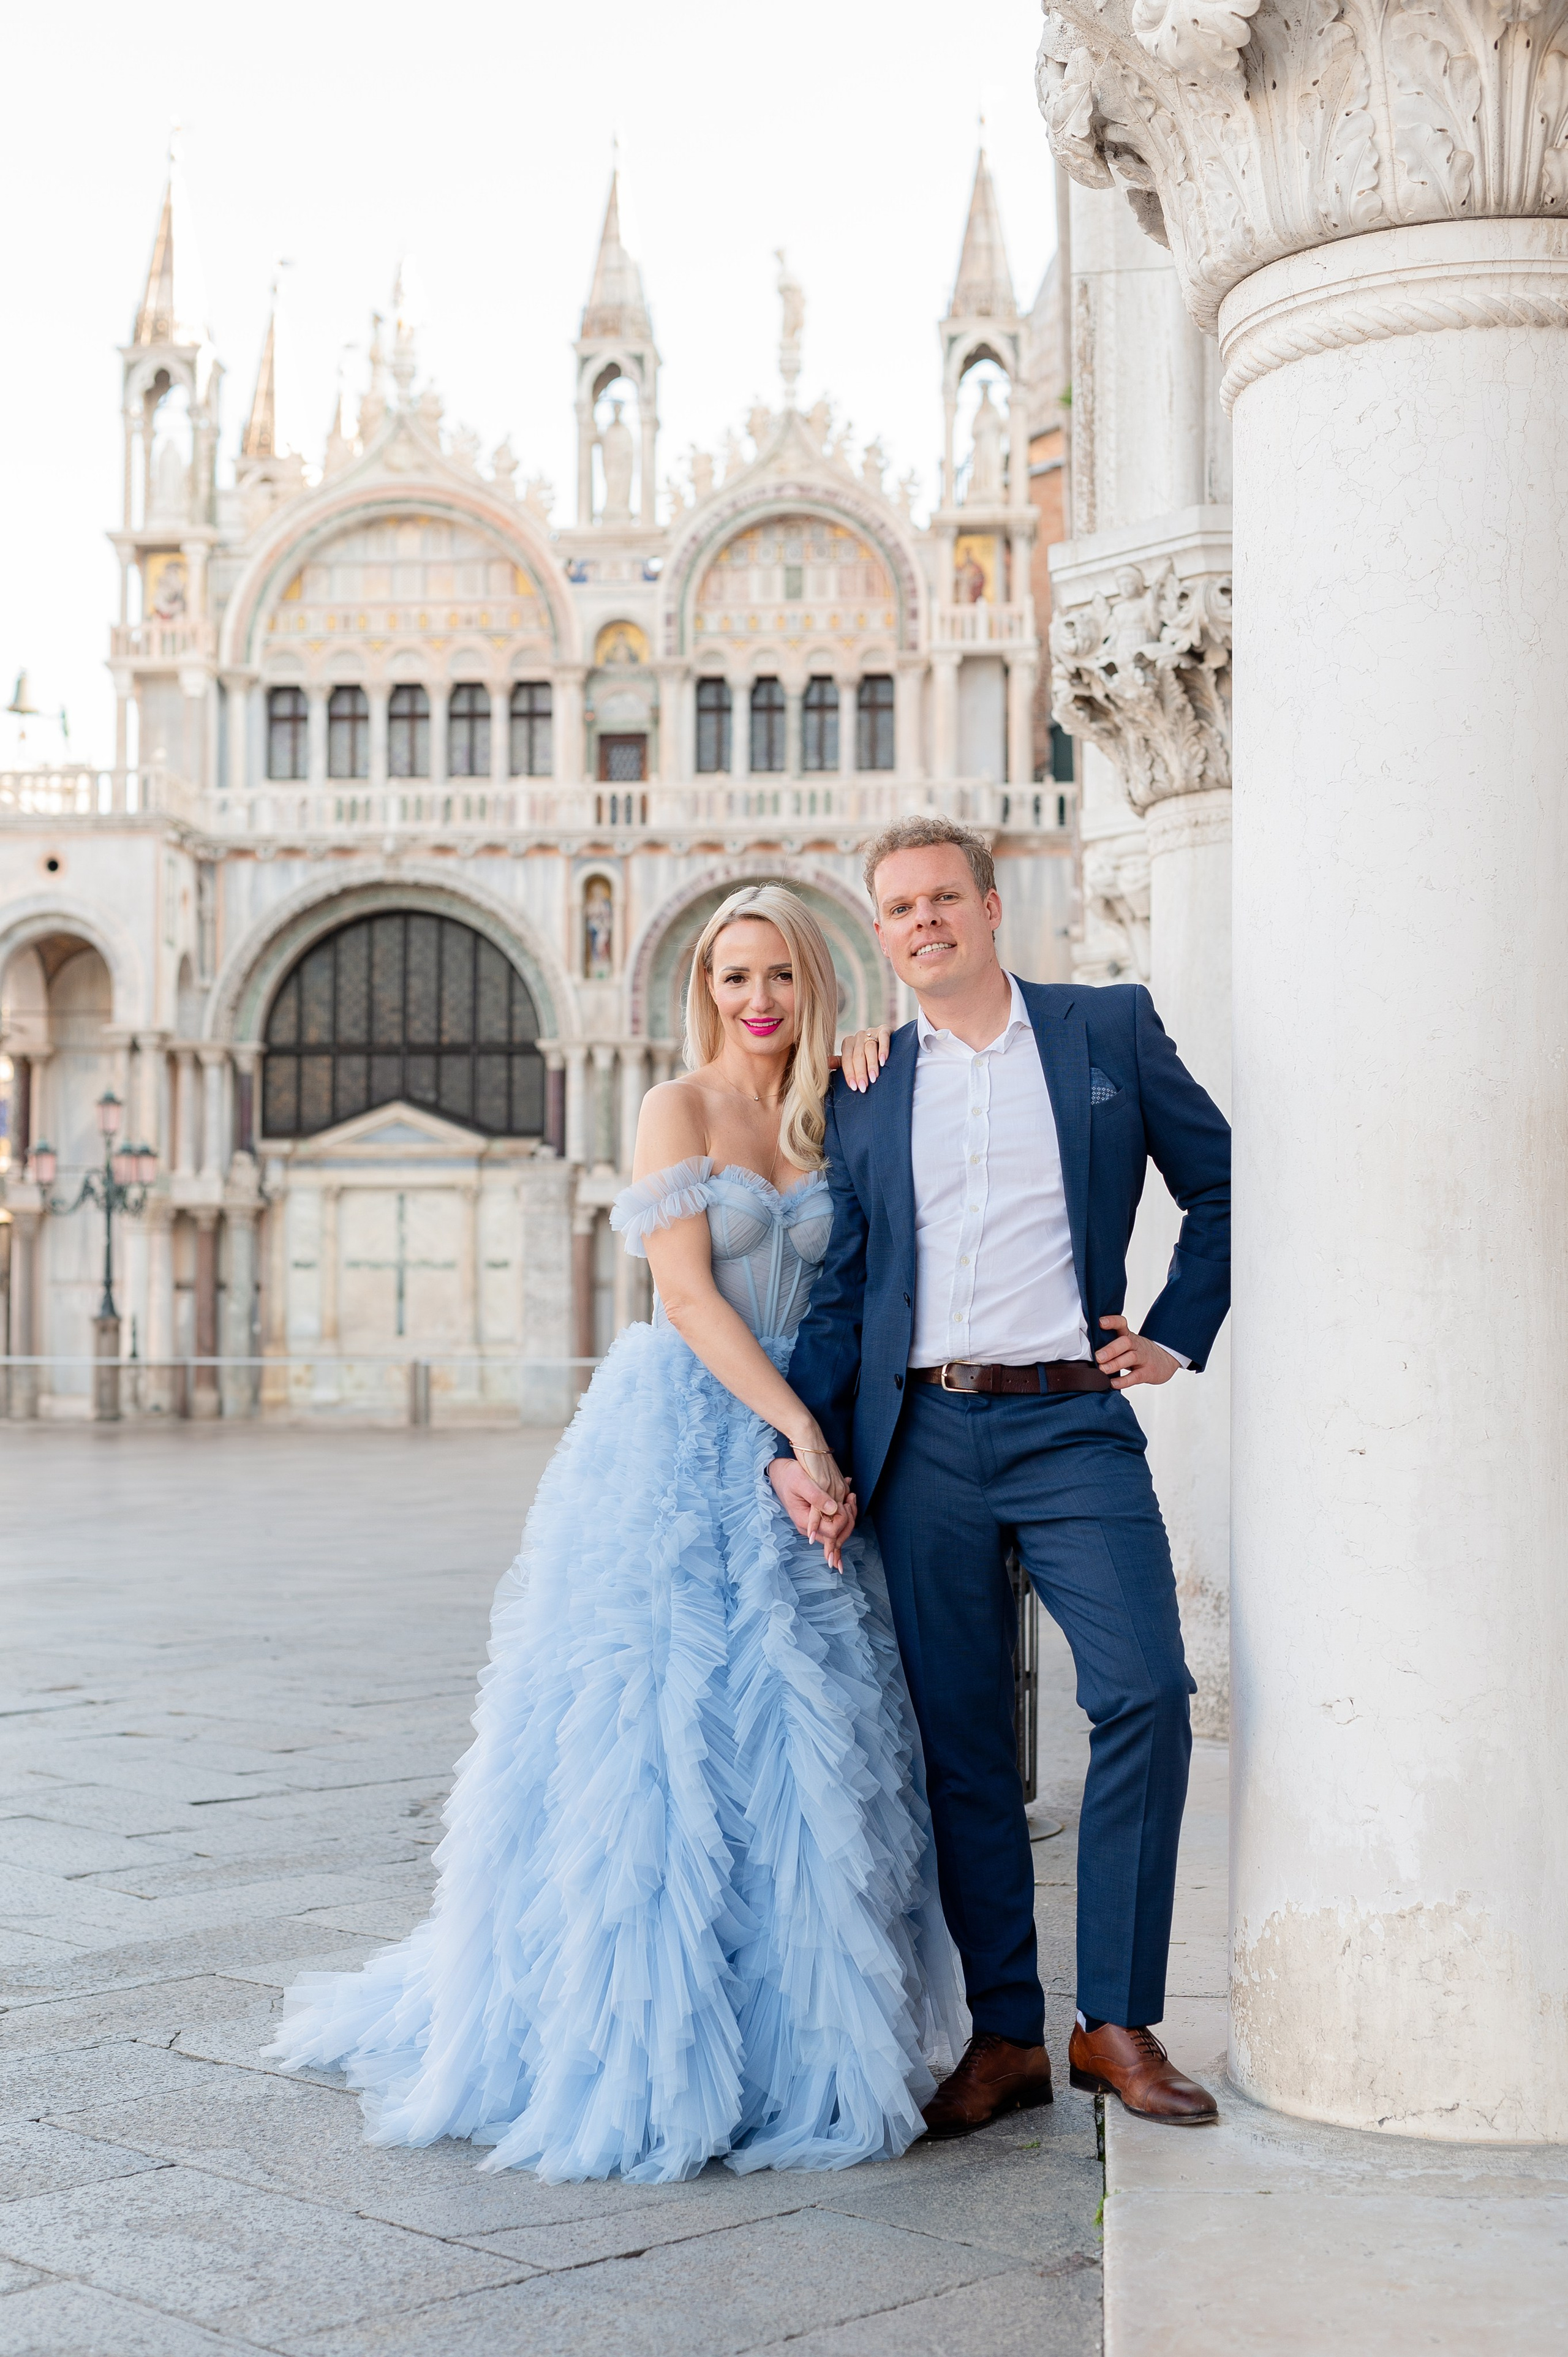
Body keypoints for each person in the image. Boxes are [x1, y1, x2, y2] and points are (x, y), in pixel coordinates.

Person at [266, 883, 966, 2183]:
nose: (754, 999)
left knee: (800, 1742)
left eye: (776, 976)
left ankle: (790, 2041)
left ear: (812, 980)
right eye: (731, 976)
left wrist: (823, 1443)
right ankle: (640, 2036)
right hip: (694, 1432)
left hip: (812, 1437)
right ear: (702, 986)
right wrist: (791, 1442)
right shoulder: (675, 1107)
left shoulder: (842, 1101)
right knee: (657, 1738)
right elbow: (690, 1297)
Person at [771, 816, 1230, 2133]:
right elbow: (849, 1284)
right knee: (962, 1748)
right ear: (882, 933)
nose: (922, 921)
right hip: (923, 1441)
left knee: (1143, 1688)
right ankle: (1005, 2033)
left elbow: (1222, 1184)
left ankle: (1114, 2022)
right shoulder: (867, 1082)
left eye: (941, 899)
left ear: (988, 906)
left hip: (1071, 1421)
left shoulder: (1106, 1029)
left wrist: (1173, 1329)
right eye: (896, 907)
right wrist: (795, 1436)